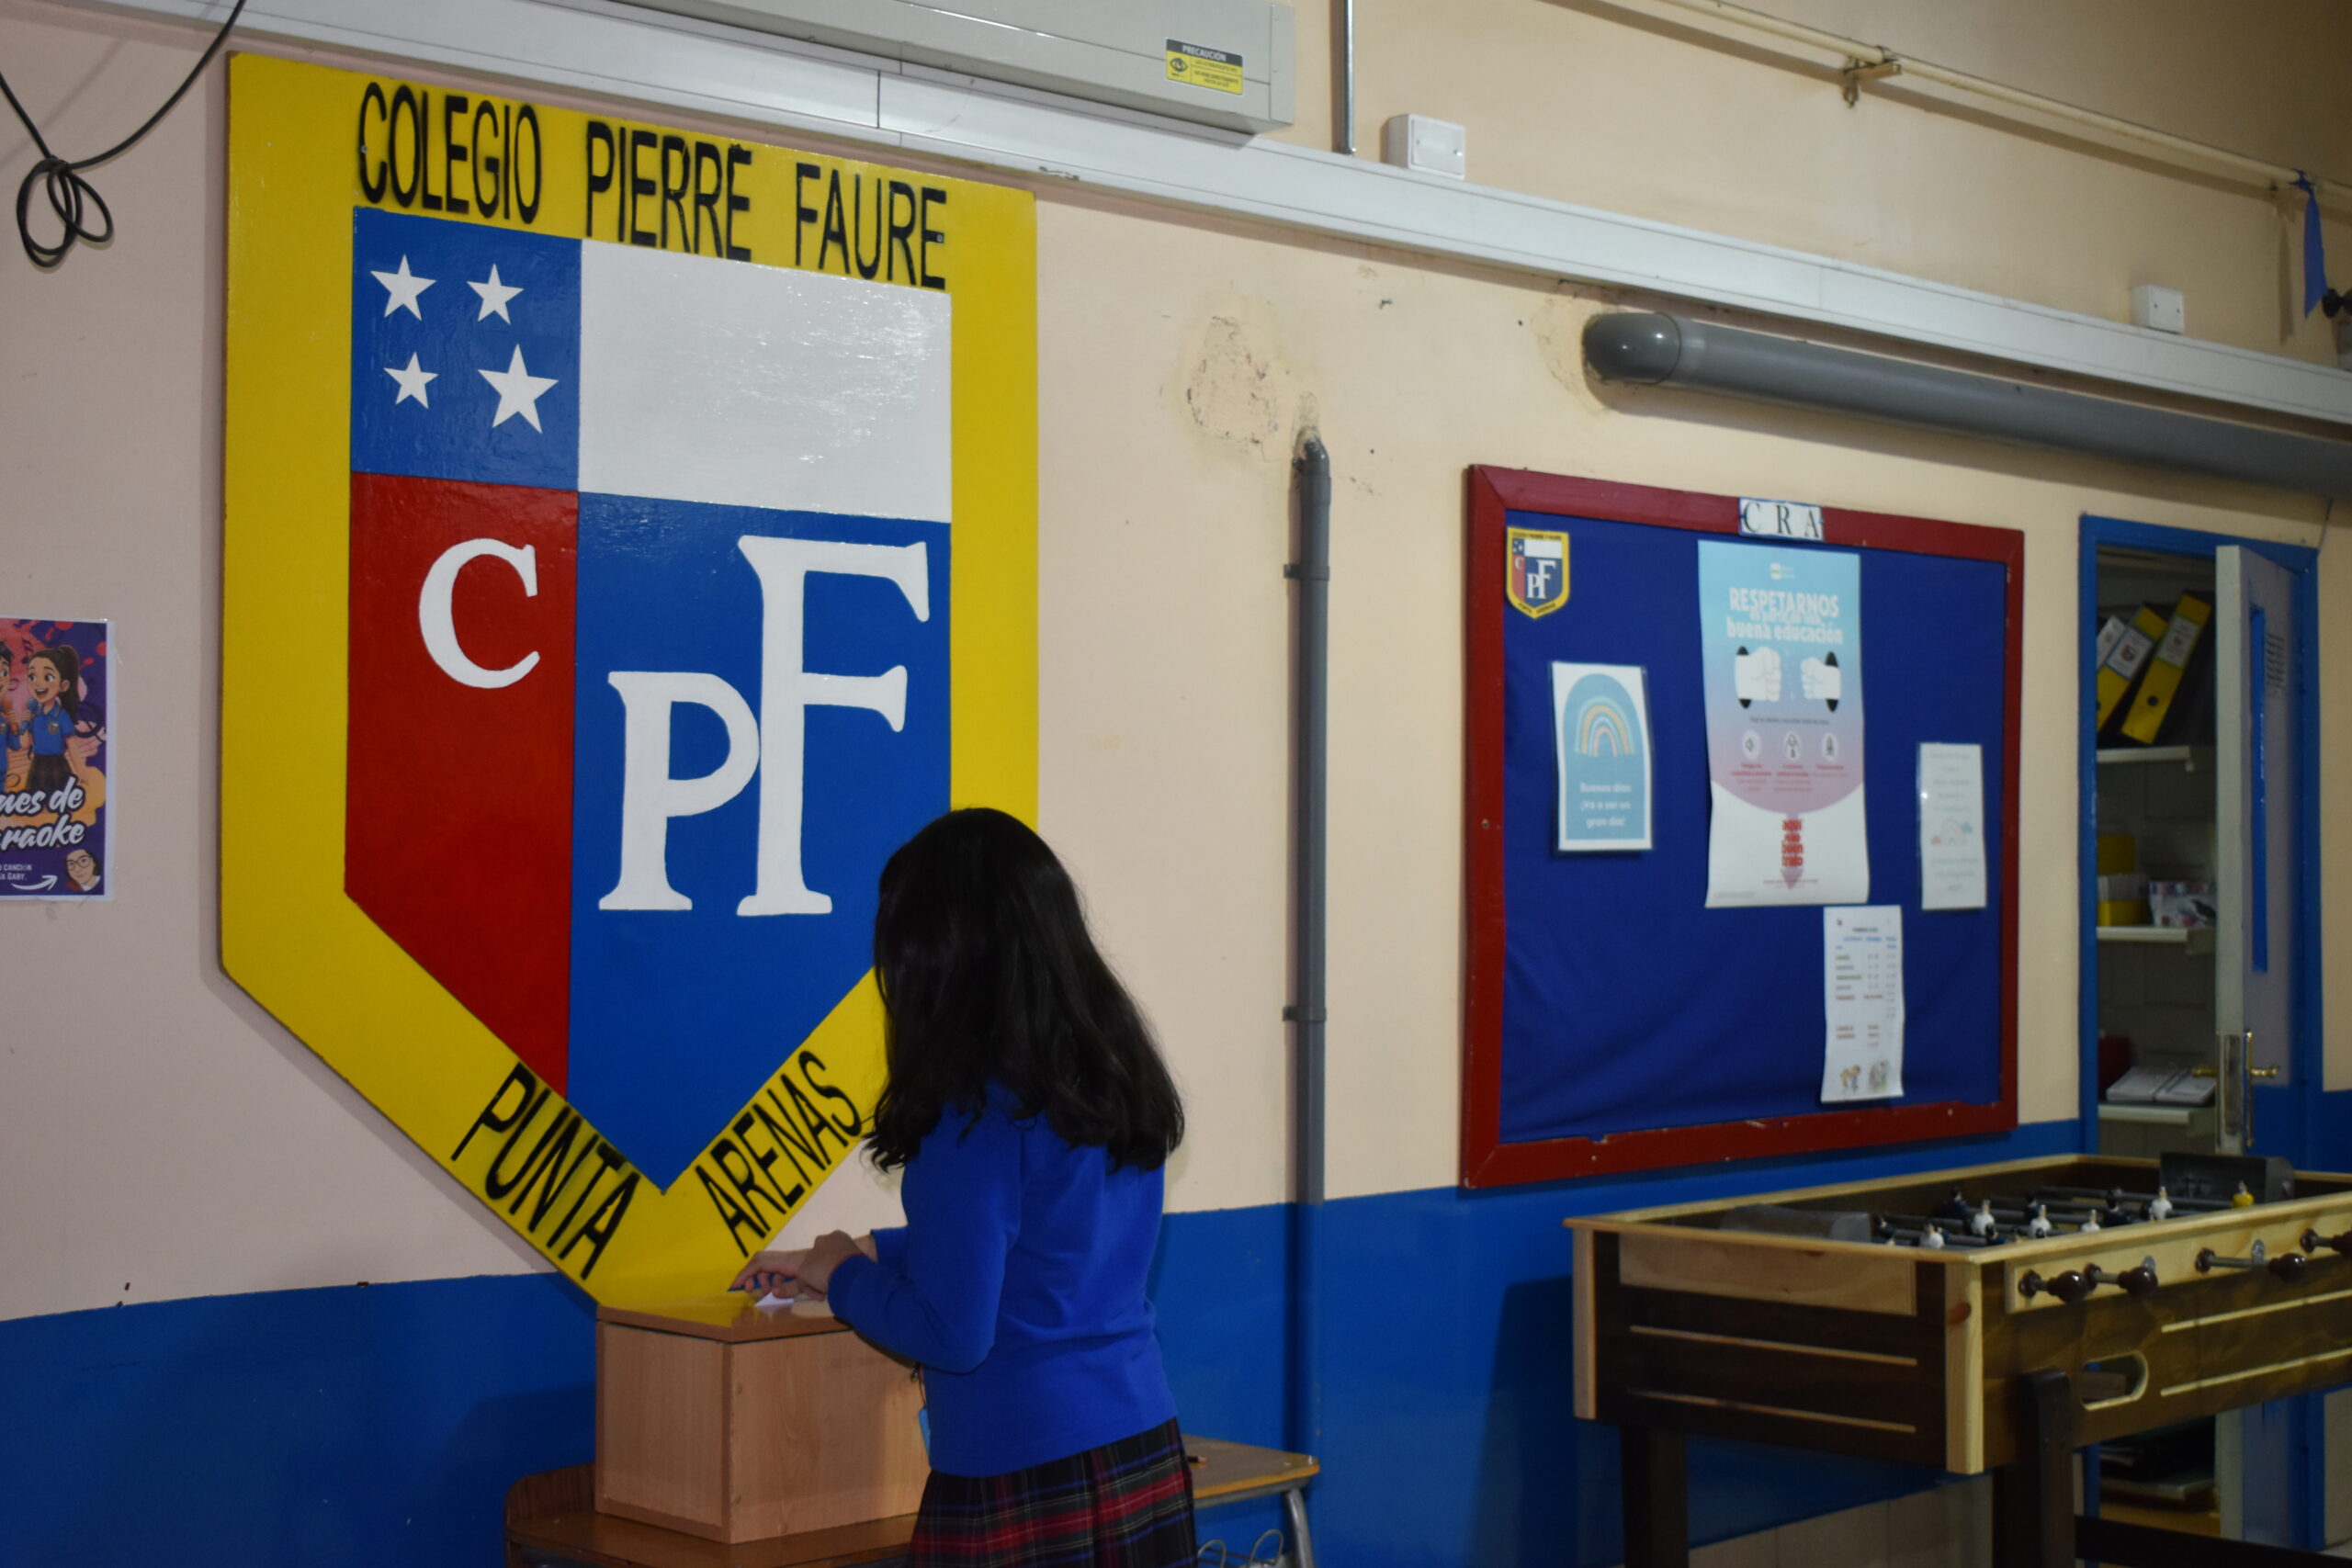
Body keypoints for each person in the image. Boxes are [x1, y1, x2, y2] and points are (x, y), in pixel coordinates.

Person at [730, 807, 1193, 1567]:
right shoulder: (1108, 1079)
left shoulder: (972, 1113)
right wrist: (870, 1249)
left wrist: (843, 1275)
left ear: (937, 963)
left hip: (1021, 1470)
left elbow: (952, 1332)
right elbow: (1045, 1241)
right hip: (1141, 1447)